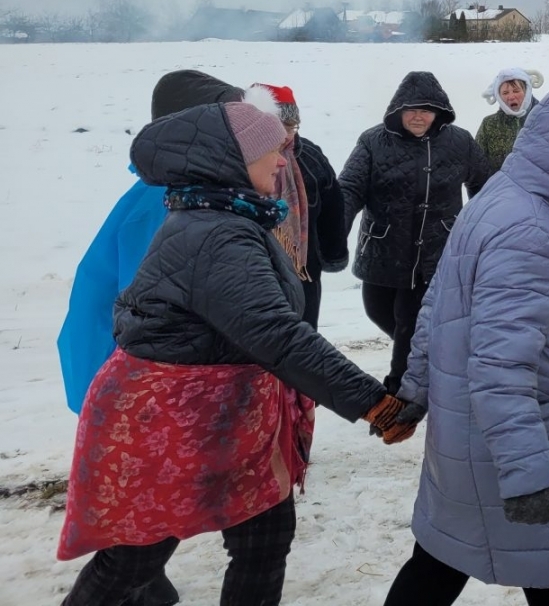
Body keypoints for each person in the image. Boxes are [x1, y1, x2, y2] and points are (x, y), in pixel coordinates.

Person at [57, 98, 408, 606]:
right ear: (232, 161)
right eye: (272, 150)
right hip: (171, 422)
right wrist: (374, 402)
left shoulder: (224, 216)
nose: (284, 161)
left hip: (220, 416)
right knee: (136, 555)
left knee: (263, 541)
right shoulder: (217, 234)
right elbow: (277, 334)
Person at [381, 87, 549, 606]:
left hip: (464, 443)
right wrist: (526, 476)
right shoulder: (532, 232)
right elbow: (502, 367)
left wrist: (415, 387)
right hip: (516, 448)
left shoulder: (496, 200)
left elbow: (435, 307)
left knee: (440, 561)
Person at [55, 69, 243, 606]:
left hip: (128, 366)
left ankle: (148, 591)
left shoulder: (172, 188)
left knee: (144, 514)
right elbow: (154, 305)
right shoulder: (157, 201)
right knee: (142, 515)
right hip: (121, 368)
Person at [341, 71, 493, 392]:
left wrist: (489, 231)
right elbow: (349, 188)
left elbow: (484, 187)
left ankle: (400, 393)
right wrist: (334, 229)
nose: (419, 116)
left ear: (439, 111)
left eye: (426, 109)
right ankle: (437, 357)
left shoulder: (459, 142)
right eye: (412, 109)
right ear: (398, 110)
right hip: (385, 249)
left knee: (410, 320)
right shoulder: (373, 141)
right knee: (378, 310)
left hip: (435, 253)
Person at [251, 84, 350, 329]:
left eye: (292, 127)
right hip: (255, 270)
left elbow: (333, 209)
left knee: (303, 337)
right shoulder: (244, 160)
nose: (286, 135)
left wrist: (333, 253)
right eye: (279, 127)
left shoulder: (311, 157)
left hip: (304, 270)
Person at [477, 67, 544, 168]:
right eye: (505, 93)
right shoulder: (489, 125)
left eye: (516, 91)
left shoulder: (545, 119)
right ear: (498, 96)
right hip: (500, 184)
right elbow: (476, 164)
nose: (511, 96)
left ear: (527, 91)